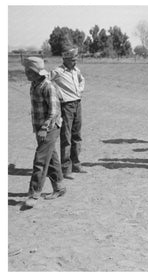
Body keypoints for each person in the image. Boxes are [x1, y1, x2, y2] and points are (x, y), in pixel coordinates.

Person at [22, 57, 67, 208]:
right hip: (40, 127)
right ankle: (59, 187)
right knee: (51, 157)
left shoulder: (47, 86)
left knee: (40, 161)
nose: (25, 73)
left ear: (33, 71)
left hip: (49, 127)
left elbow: (54, 112)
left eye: (27, 70)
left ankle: (34, 195)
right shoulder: (34, 84)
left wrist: (44, 128)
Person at [50, 47, 86, 180]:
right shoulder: (57, 71)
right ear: (65, 59)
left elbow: (82, 80)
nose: (75, 62)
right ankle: (66, 169)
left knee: (77, 136)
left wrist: (80, 90)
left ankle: (76, 164)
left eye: (75, 59)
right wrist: (58, 94)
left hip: (77, 104)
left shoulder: (76, 70)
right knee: (66, 137)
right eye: (72, 60)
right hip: (66, 106)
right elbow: (47, 82)